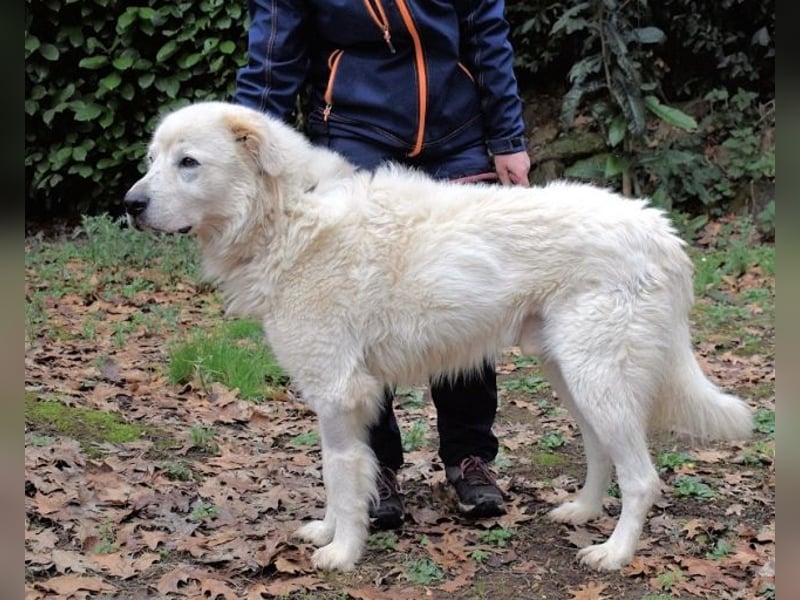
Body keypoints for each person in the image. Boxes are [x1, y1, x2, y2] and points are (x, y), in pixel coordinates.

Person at [234, 0, 531, 530]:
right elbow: (274, 57)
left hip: (459, 131)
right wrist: (241, 155)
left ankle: (470, 458)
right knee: (356, 306)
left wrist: (507, 138)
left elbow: (485, 27)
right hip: (353, 130)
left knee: (465, 290)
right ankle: (377, 471)